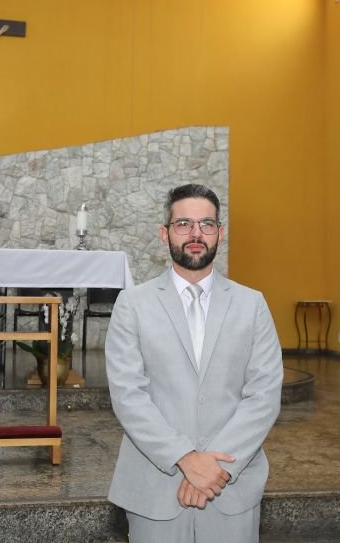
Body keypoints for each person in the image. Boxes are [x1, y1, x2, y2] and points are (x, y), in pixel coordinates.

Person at [105, 183, 283, 543]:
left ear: (221, 232)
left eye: (207, 224)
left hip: (230, 488)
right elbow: (129, 396)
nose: (196, 234)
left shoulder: (252, 305)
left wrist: (211, 469)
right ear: (164, 233)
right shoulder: (132, 304)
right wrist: (186, 458)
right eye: (184, 224)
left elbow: (263, 396)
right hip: (155, 488)